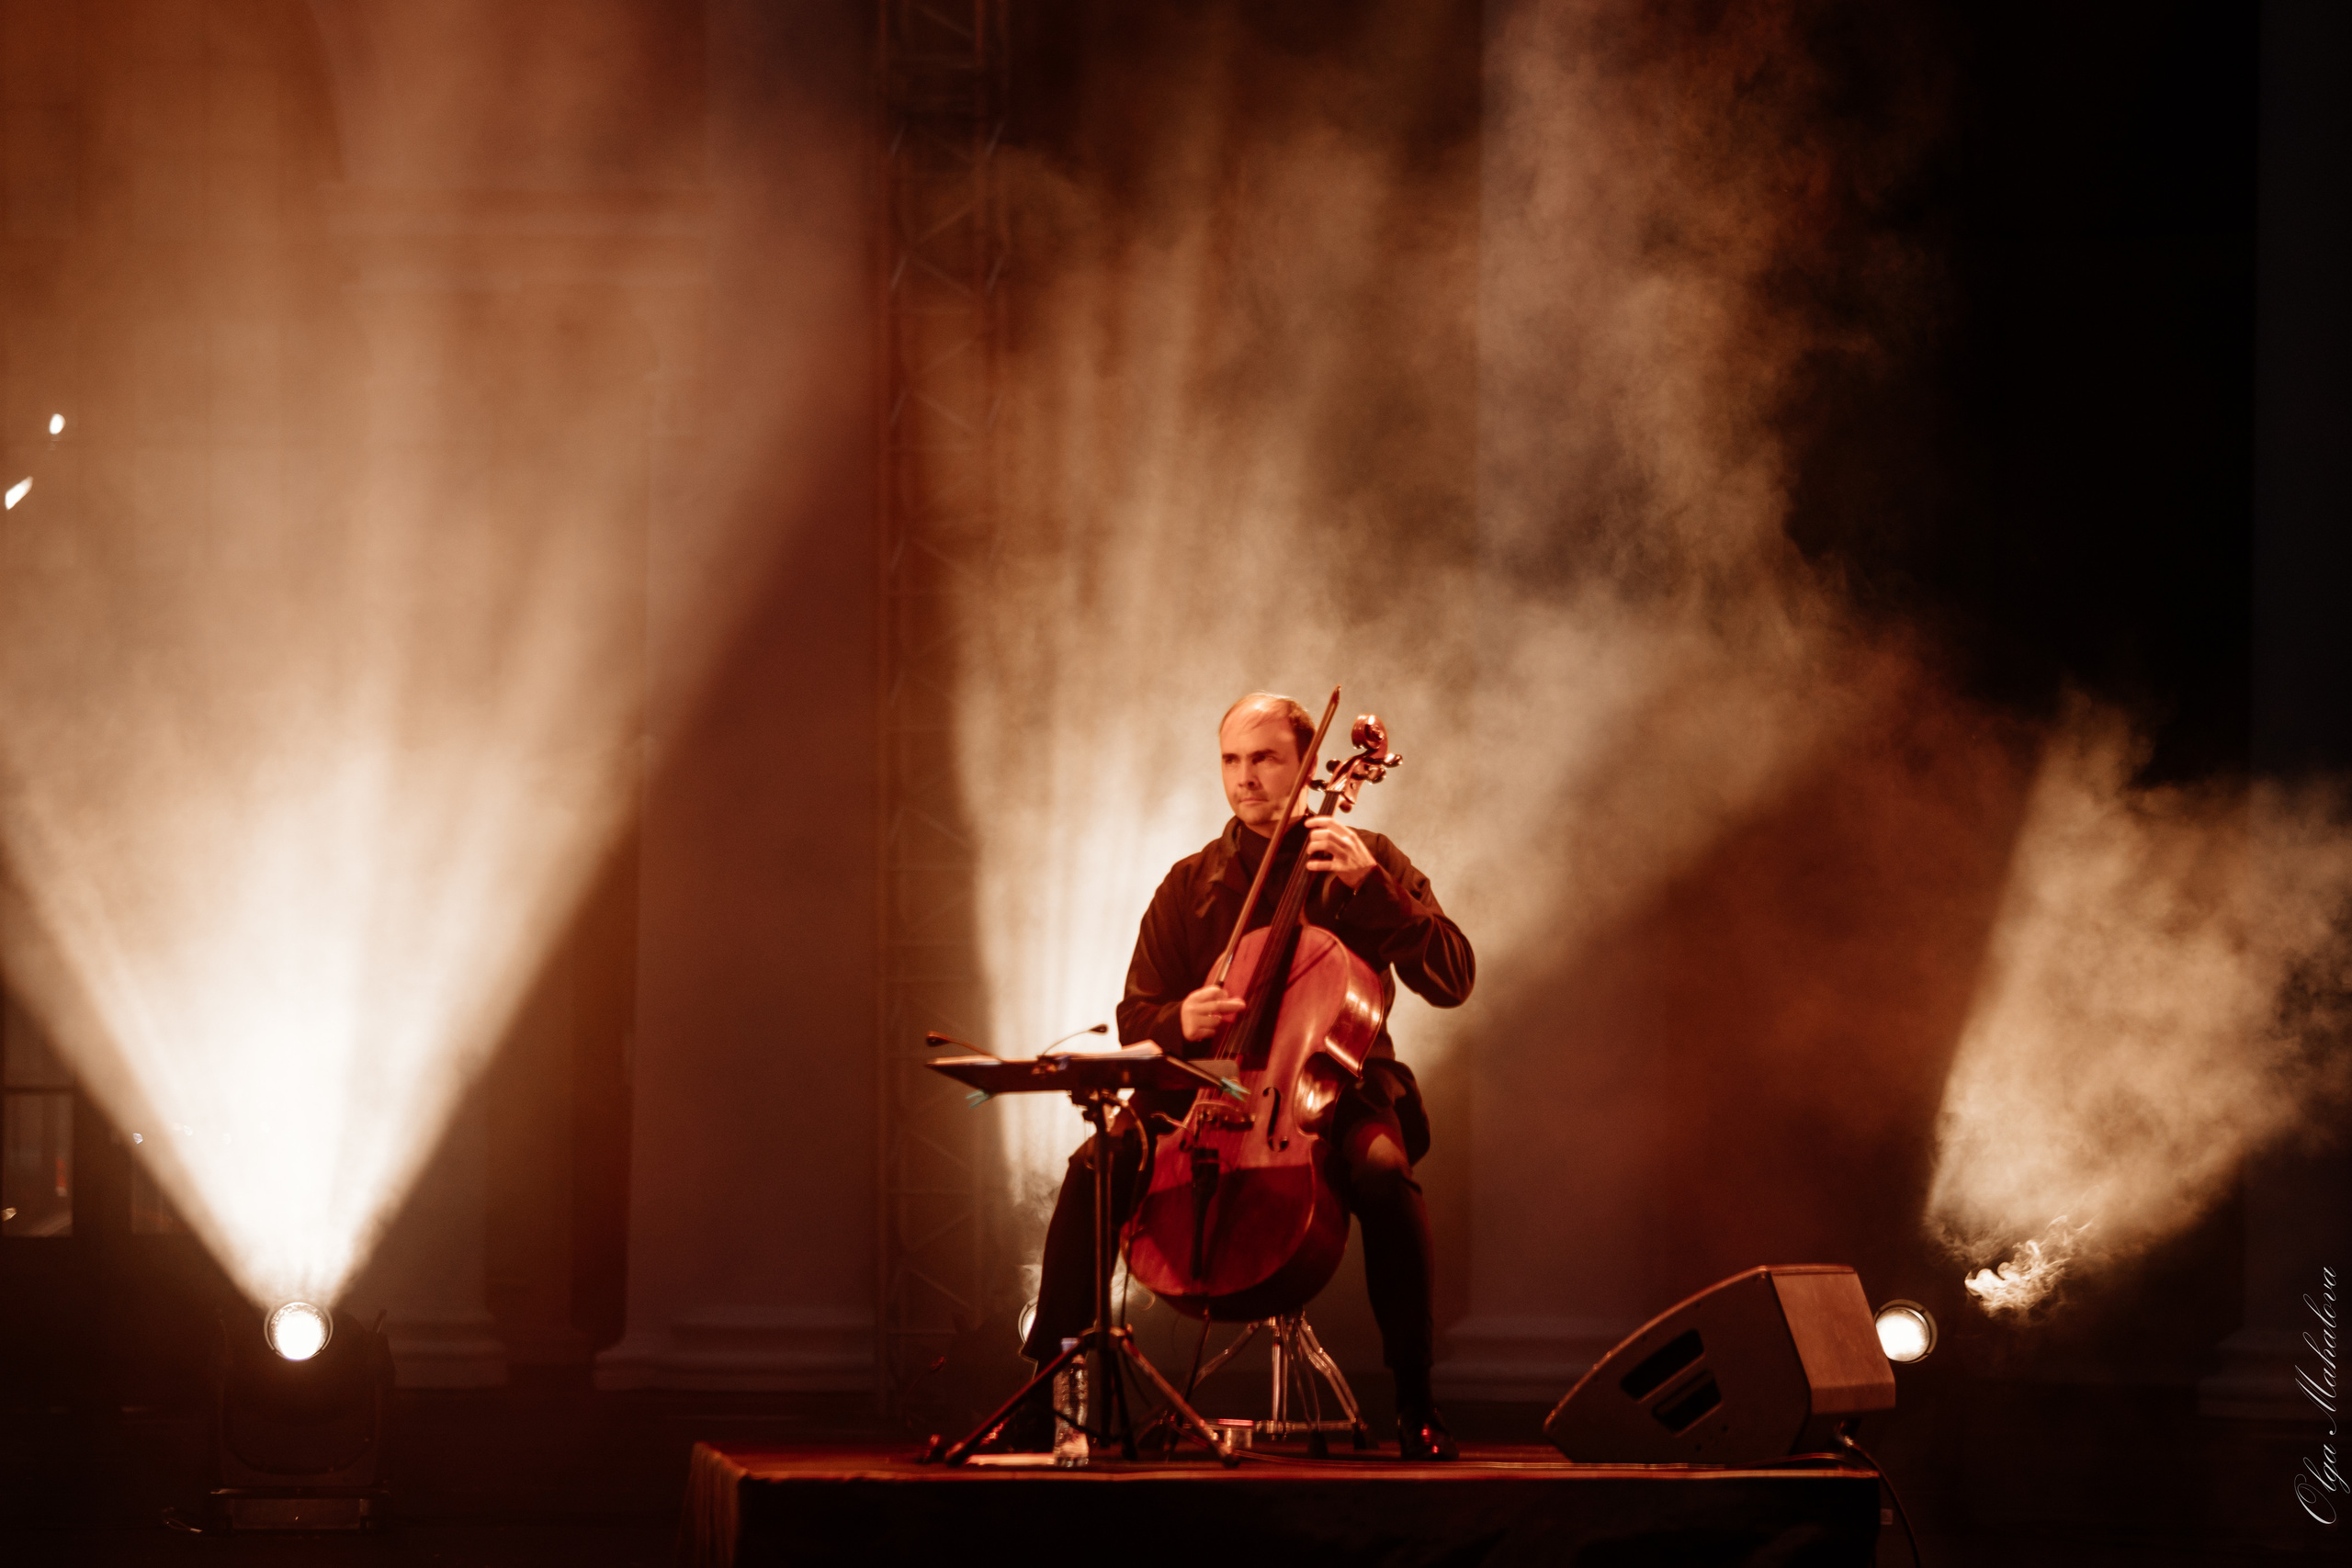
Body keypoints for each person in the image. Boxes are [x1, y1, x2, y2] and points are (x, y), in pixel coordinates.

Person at [1020, 692, 1476, 1459]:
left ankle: (1416, 1399)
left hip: (1336, 1092)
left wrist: (1375, 892)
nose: (1245, 777)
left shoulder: (1368, 861)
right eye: (1231, 760)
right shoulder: (1190, 882)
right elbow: (1137, 1015)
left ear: (1306, 767)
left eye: (1264, 758)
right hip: (1208, 1090)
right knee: (1096, 1164)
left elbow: (1454, 975)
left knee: (1387, 1174)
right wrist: (1179, 1022)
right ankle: (1044, 1394)